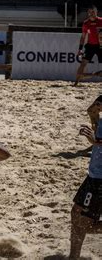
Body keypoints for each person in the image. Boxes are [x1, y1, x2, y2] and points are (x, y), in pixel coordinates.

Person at [69, 96, 102, 259]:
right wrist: (95, 109)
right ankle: (73, 257)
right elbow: (91, 110)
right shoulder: (99, 118)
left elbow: (97, 141)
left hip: (100, 179)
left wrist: (95, 142)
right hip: (95, 176)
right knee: (77, 216)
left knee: (81, 220)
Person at [74, 6, 102, 86]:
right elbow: (83, 37)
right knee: (82, 64)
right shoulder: (86, 23)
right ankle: (76, 83)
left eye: (93, 12)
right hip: (90, 46)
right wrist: (80, 49)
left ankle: (95, 74)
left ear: (96, 12)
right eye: (89, 12)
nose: (91, 13)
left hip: (100, 46)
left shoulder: (101, 21)